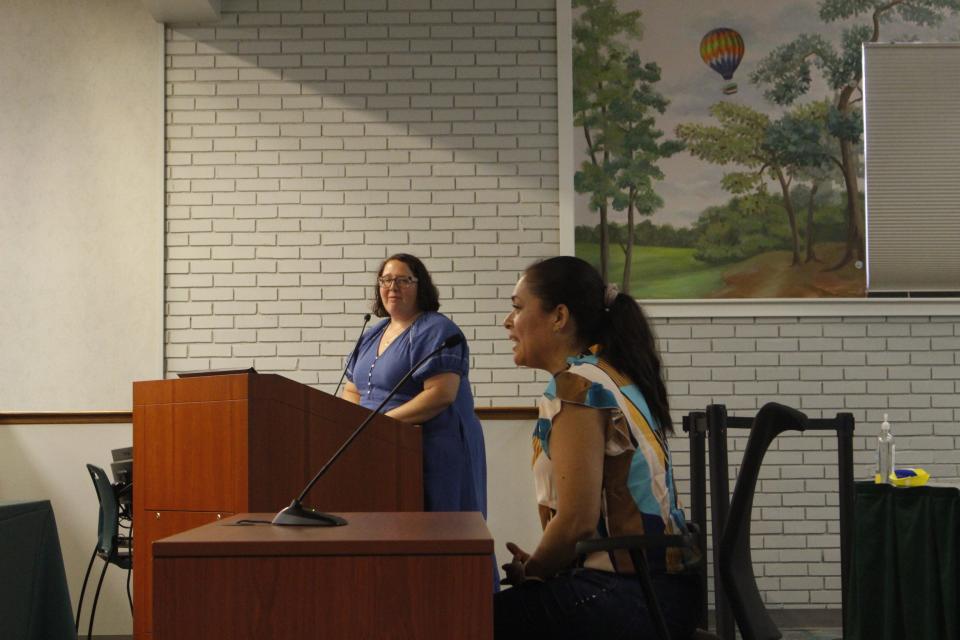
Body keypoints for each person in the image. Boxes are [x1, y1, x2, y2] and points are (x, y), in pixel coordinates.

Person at [495, 256, 701, 640]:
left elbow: (577, 522)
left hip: (628, 594)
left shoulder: (577, 388)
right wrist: (546, 564)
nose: (508, 322)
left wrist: (534, 571)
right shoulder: (610, 375)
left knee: (462, 619)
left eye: (517, 307)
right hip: (661, 590)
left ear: (559, 317)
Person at [342, 253, 487, 516]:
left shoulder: (437, 330)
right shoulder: (372, 333)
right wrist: (355, 426)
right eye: (385, 280)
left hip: (432, 450)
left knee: (441, 532)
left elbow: (440, 395)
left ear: (421, 286)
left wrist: (376, 424)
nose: (392, 287)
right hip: (381, 447)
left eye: (403, 280)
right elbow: (353, 389)